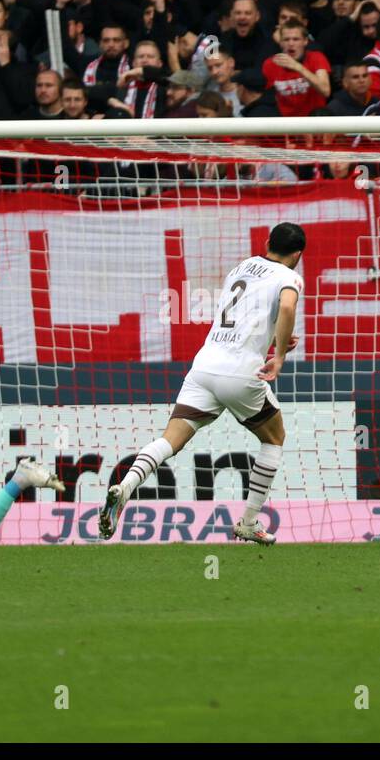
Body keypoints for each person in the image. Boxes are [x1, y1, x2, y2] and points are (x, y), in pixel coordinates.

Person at [98, 223, 307, 546]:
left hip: (205, 365)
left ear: (267, 243)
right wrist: (278, 356)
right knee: (274, 438)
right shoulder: (289, 277)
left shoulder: (242, 268)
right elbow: (288, 306)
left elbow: (251, 316)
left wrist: (277, 337)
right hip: (240, 372)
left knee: (170, 439)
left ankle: (125, 486)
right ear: (297, 255)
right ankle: (249, 522)